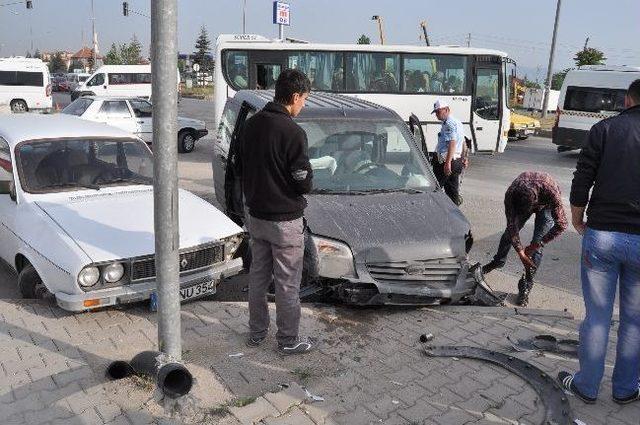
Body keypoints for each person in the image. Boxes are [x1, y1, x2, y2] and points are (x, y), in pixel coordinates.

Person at [558, 79, 640, 405]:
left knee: (597, 317)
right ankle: (625, 389)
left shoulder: (604, 129)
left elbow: (582, 179)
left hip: (603, 235)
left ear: (627, 100)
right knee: (634, 320)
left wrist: (577, 219)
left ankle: (587, 387)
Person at [237, 68, 314, 355]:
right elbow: (302, 180)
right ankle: (288, 341)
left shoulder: (251, 125)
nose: (303, 104)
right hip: (285, 222)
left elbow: (241, 167)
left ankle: (256, 334)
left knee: (258, 276)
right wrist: (308, 178)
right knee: (287, 283)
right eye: (304, 98)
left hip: (256, 216)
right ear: (294, 96)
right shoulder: (293, 132)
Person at [482, 171, 568, 306]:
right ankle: (498, 261)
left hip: (546, 205)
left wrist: (538, 244)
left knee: (537, 246)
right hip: (524, 200)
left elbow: (562, 225)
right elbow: (512, 227)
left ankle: (526, 284)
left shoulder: (552, 193)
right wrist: (521, 253)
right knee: (508, 235)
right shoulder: (511, 194)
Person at [431, 99, 466, 205]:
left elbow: (452, 142)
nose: (437, 114)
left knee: (434, 188)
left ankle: (431, 211)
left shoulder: (449, 124)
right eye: (435, 112)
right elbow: (463, 141)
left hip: (447, 161)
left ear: (446, 110)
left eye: (438, 111)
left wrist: (447, 163)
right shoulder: (457, 122)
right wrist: (464, 158)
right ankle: (454, 214)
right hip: (456, 161)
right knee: (452, 192)